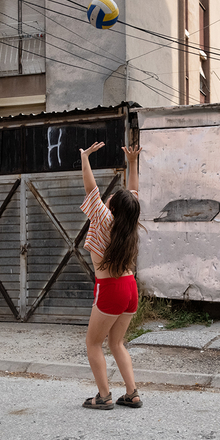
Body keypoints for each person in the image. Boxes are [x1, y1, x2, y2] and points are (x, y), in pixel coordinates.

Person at [79, 142, 144, 410]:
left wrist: (85, 158)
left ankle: (104, 395)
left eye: (111, 200)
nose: (107, 199)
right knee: (116, 342)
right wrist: (132, 162)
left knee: (93, 344)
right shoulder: (129, 222)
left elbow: (90, 188)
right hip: (130, 288)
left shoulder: (105, 219)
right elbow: (133, 194)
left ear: (111, 208)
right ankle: (132, 393)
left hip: (110, 289)